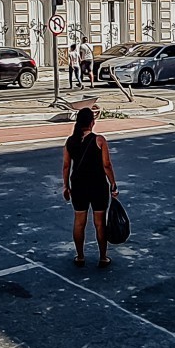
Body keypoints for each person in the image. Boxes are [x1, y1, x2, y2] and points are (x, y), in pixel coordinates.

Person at [61, 107, 117, 266]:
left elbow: (66, 166)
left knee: (79, 222)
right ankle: (103, 257)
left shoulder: (70, 141)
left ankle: (80, 256)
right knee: (100, 222)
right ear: (92, 122)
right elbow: (107, 165)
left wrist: (66, 186)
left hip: (78, 185)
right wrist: (113, 183)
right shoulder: (99, 140)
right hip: (98, 185)